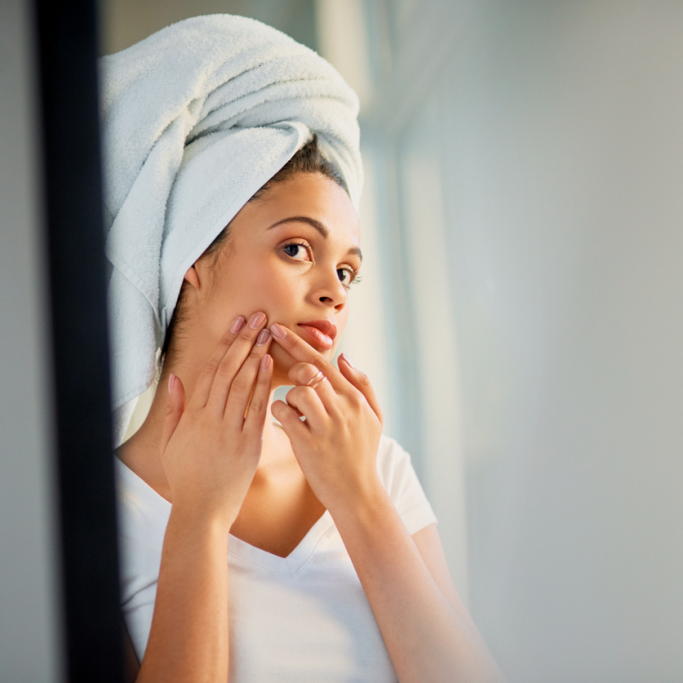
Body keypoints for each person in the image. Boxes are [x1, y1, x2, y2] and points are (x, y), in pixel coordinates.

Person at [106, 15, 501, 683]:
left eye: (347, 270)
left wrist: (361, 499)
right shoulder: (104, 512)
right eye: (296, 248)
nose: (334, 291)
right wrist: (200, 515)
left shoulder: (379, 468)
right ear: (192, 257)